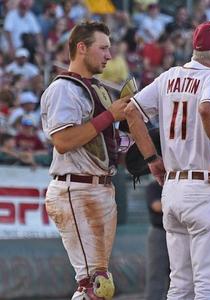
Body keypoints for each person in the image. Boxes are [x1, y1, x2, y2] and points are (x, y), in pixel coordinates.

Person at [124, 21, 210, 299]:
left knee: (179, 284)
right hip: (204, 187)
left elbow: (131, 112)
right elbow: (205, 109)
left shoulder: (168, 77)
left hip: (172, 188)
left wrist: (152, 159)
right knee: (209, 284)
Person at [40, 21, 129, 299]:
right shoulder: (64, 88)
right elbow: (63, 141)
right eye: (102, 48)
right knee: (96, 286)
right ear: (81, 48)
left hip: (95, 187)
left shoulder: (94, 88)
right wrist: (111, 116)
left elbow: (102, 143)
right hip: (75, 189)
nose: (108, 55)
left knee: (93, 284)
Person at [144, 180, 170, 300]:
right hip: (159, 233)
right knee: (156, 274)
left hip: (178, 232)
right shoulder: (153, 186)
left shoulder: (176, 185)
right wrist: (179, 203)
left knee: (178, 275)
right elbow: (157, 206)